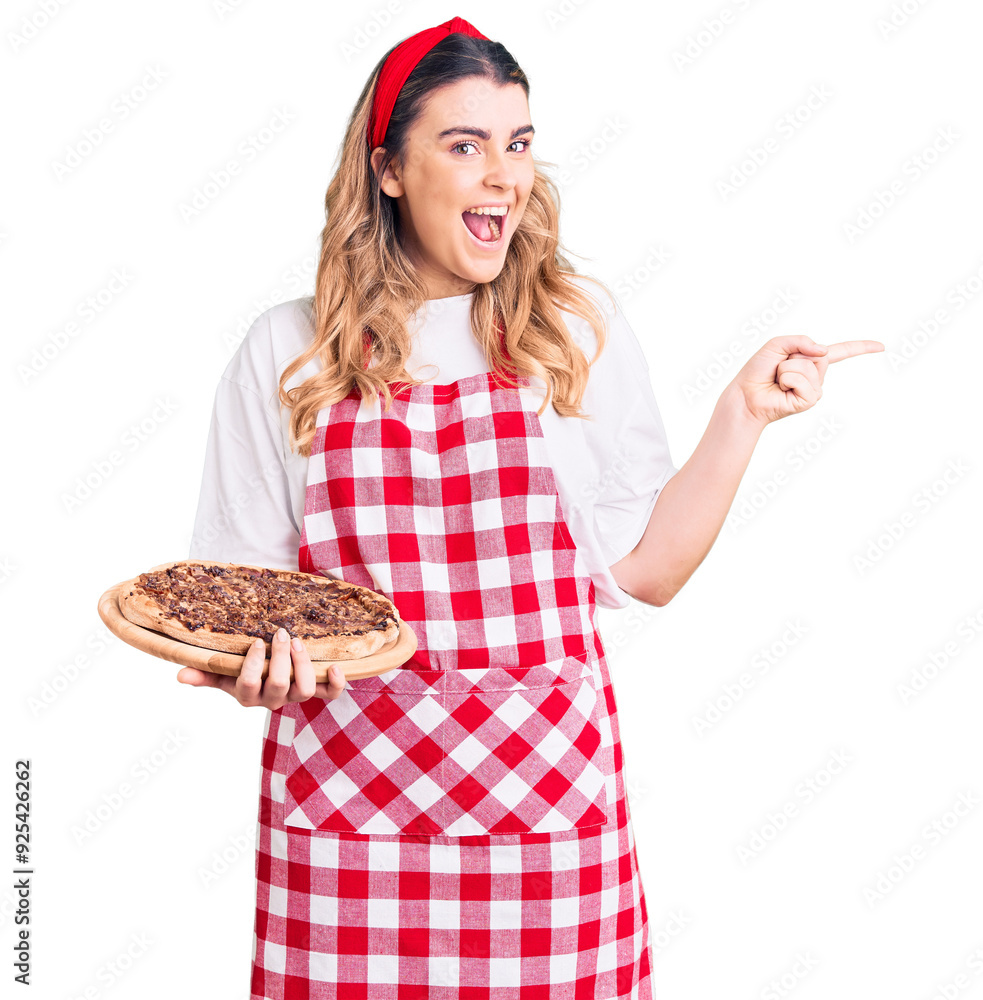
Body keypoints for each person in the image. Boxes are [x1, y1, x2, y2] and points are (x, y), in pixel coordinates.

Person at [180, 15, 883, 999]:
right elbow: (243, 613)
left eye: (515, 144)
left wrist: (742, 414)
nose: (503, 176)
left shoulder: (566, 329)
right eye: (463, 145)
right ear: (386, 169)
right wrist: (248, 675)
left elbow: (646, 570)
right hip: (348, 834)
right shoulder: (289, 350)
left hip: (543, 832)